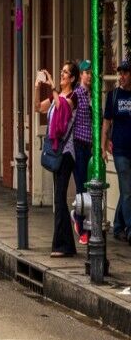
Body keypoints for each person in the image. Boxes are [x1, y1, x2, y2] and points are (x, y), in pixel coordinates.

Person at [35, 61, 79, 257]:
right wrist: (38, 86)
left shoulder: (71, 98)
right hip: (57, 151)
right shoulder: (55, 98)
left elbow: (62, 108)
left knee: (60, 198)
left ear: (72, 78)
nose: (62, 75)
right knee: (58, 198)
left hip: (67, 154)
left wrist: (51, 83)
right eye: (61, 71)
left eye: (65, 73)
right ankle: (67, 245)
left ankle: (61, 245)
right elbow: (38, 107)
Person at [103, 59, 131, 244]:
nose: (121, 76)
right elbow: (106, 122)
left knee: (126, 189)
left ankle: (119, 225)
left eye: (125, 73)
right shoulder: (113, 96)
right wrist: (103, 145)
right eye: (119, 73)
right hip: (120, 150)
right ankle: (130, 228)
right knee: (128, 191)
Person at [71, 60, 92, 244]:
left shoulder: (91, 94)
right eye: (86, 73)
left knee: (90, 188)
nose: (89, 76)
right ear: (81, 75)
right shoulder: (77, 94)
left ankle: (85, 222)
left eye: (91, 73)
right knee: (81, 187)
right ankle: (80, 224)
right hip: (78, 144)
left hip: (89, 146)